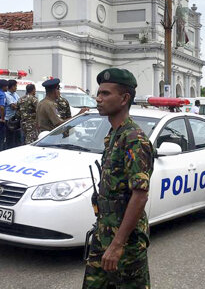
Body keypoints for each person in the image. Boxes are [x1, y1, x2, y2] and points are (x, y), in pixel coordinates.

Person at [83, 68, 154, 288]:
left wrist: (117, 244)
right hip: (103, 235)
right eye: (99, 93)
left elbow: (140, 196)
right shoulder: (114, 135)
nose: (98, 98)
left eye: (105, 93)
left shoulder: (134, 139)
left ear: (124, 99)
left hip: (126, 244)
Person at [4, 79, 21, 149]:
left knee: (17, 139)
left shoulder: (15, 94)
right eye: (15, 86)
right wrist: (18, 105)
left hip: (16, 119)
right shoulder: (7, 95)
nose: (16, 88)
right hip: (9, 120)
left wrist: (18, 105)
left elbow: (20, 103)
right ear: (11, 86)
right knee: (10, 140)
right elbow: (13, 106)